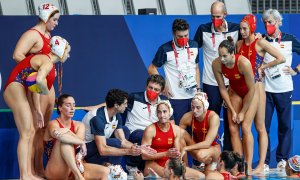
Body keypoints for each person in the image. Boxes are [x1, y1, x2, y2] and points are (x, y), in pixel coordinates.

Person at [3, 36, 71, 180]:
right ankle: (24, 175)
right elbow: (39, 80)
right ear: (61, 52)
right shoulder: (47, 62)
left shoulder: (44, 59)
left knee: (30, 131)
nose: (68, 55)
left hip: (18, 87)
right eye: (67, 51)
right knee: (26, 133)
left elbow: (33, 86)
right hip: (15, 87)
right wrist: (46, 91)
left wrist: (38, 110)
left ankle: (28, 173)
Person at [12, 3, 60, 176]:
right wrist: (35, 72)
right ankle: (29, 172)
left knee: (42, 130)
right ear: (46, 18)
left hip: (47, 86)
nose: (56, 23)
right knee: (32, 130)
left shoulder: (48, 35)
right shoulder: (32, 34)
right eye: (54, 20)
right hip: (35, 87)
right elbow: (17, 54)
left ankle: (39, 168)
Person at [237, 14, 286, 174]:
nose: (242, 31)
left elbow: (281, 58)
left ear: (251, 27)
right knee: (251, 127)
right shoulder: (238, 44)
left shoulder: (260, 42)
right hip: (244, 88)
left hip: (257, 87)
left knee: (257, 127)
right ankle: (250, 165)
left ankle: (255, 166)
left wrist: (262, 67)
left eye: (245, 28)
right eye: (241, 29)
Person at [193, 1, 241, 152]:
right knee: (208, 120)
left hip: (231, 83)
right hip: (211, 83)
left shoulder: (236, 29)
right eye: (212, 16)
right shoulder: (203, 29)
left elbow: (245, 48)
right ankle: (207, 154)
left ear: (225, 15)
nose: (215, 20)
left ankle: (228, 156)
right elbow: (192, 51)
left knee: (231, 122)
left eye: (218, 16)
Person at [261, 9, 300, 172]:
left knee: (284, 126)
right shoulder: (260, 41)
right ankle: (264, 161)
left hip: (284, 89)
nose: (267, 25)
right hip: (265, 90)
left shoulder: (290, 39)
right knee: (264, 127)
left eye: (270, 22)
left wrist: (296, 70)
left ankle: (282, 159)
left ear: (278, 22)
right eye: (265, 22)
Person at [212, 37, 256, 172]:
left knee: (246, 126)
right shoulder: (216, 64)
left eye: (225, 56)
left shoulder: (243, 63)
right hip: (235, 92)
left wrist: (242, 112)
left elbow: (252, 89)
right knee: (232, 128)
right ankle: (238, 165)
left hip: (252, 92)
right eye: (220, 55)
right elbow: (222, 88)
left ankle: (247, 165)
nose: (222, 59)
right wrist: (233, 109)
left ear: (233, 54)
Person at [82, 89, 155, 166]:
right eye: (125, 103)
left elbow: (123, 141)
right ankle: (107, 166)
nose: (126, 106)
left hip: (100, 143)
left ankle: (112, 165)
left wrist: (140, 149)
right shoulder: (97, 118)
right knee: (116, 142)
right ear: (116, 105)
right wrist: (129, 151)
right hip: (86, 148)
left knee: (124, 130)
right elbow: (102, 150)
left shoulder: (116, 115)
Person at [44, 94, 110, 180]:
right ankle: (79, 177)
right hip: (56, 170)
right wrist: (81, 142)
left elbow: (77, 141)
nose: (72, 108)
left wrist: (67, 130)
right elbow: (60, 136)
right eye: (68, 105)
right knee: (65, 141)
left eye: (74, 105)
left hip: (74, 167)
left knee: (105, 172)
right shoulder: (53, 124)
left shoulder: (79, 125)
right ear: (60, 108)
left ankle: (77, 175)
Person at [148, 18, 200, 125]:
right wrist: (163, 86)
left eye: (186, 35)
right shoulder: (165, 49)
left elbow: (196, 68)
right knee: (179, 131)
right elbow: (152, 68)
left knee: (194, 131)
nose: (183, 39)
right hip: (176, 98)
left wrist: (198, 90)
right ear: (173, 33)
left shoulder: (194, 45)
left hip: (193, 96)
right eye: (180, 36)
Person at [141, 100, 204, 179]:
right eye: (159, 112)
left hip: (169, 165)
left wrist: (182, 163)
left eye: (164, 112)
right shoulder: (150, 130)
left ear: (169, 112)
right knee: (171, 176)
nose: (162, 115)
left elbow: (176, 154)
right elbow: (144, 156)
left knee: (201, 176)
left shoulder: (176, 130)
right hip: (152, 165)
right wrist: (166, 154)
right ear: (156, 114)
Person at [125, 74, 174, 173]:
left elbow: (171, 123)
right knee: (143, 134)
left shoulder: (165, 102)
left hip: (155, 133)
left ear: (161, 91)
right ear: (146, 86)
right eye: (150, 88)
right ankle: (131, 165)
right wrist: (94, 108)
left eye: (156, 89)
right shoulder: (134, 97)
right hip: (135, 133)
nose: (152, 91)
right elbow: (115, 103)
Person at [179, 92, 221, 173]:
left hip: (213, 149)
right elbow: (177, 136)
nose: (194, 111)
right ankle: (185, 167)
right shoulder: (187, 117)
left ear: (205, 107)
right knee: (180, 133)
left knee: (201, 155)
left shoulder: (213, 117)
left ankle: (213, 165)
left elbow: (207, 143)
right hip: (197, 148)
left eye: (198, 107)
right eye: (193, 107)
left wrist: (186, 148)